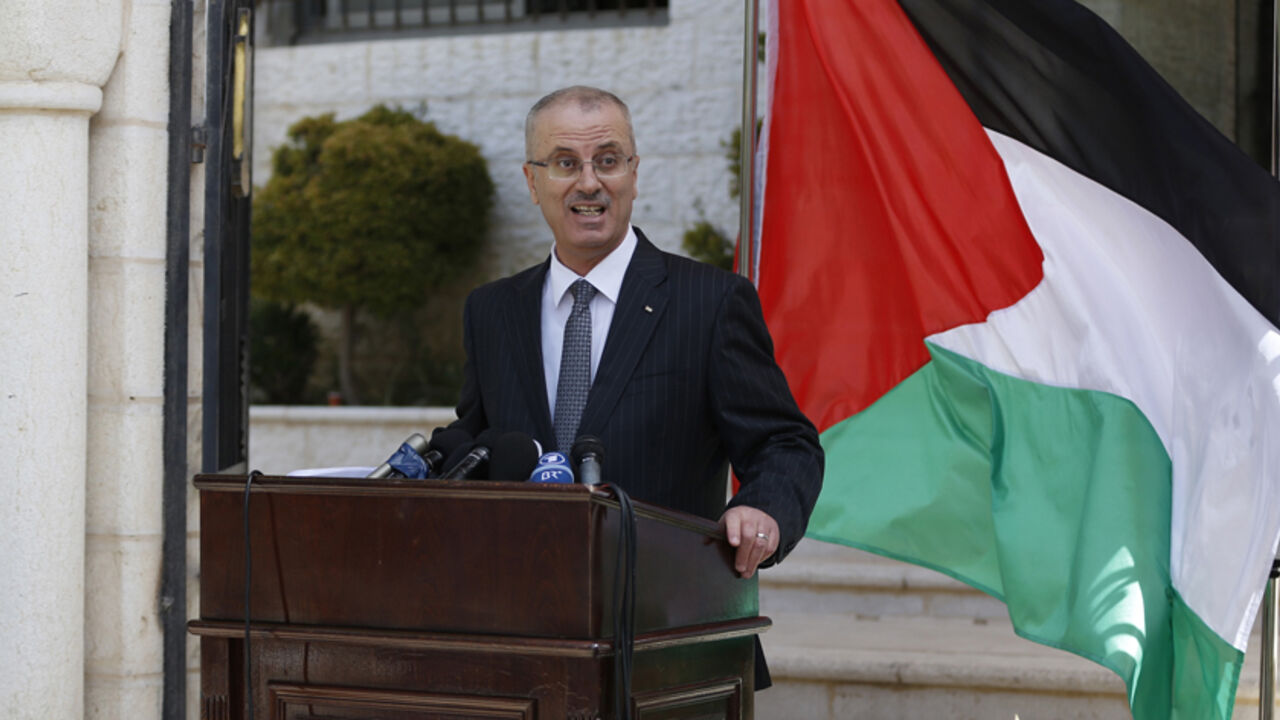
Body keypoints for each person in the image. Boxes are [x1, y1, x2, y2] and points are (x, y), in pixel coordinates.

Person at [452, 85, 823, 587]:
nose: (589, 183)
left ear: (634, 173)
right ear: (532, 181)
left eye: (607, 160)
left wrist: (762, 508)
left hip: (666, 613)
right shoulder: (492, 310)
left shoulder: (710, 302)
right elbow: (474, 446)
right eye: (565, 163)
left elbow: (784, 442)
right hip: (528, 614)